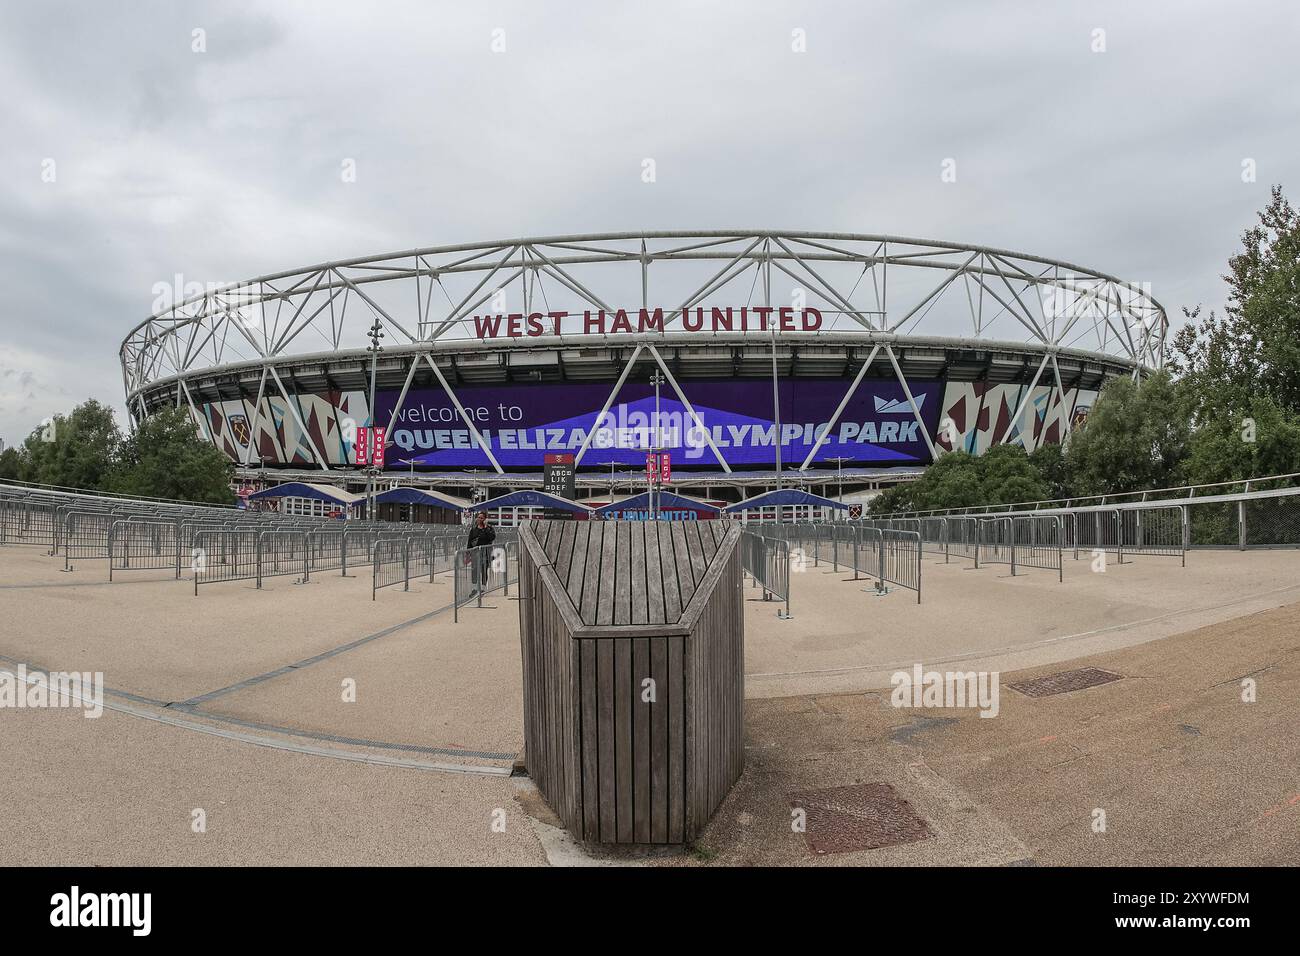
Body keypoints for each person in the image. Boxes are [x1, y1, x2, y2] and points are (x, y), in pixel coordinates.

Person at [467, 511, 496, 593]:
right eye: (478, 517)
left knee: (483, 570)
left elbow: (492, 538)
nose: (479, 519)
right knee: (474, 570)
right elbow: (469, 541)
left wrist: (486, 527)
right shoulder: (473, 529)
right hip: (475, 553)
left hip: (485, 554)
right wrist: (468, 553)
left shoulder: (489, 528)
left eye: (481, 518)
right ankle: (474, 588)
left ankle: (483, 588)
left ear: (485, 519)